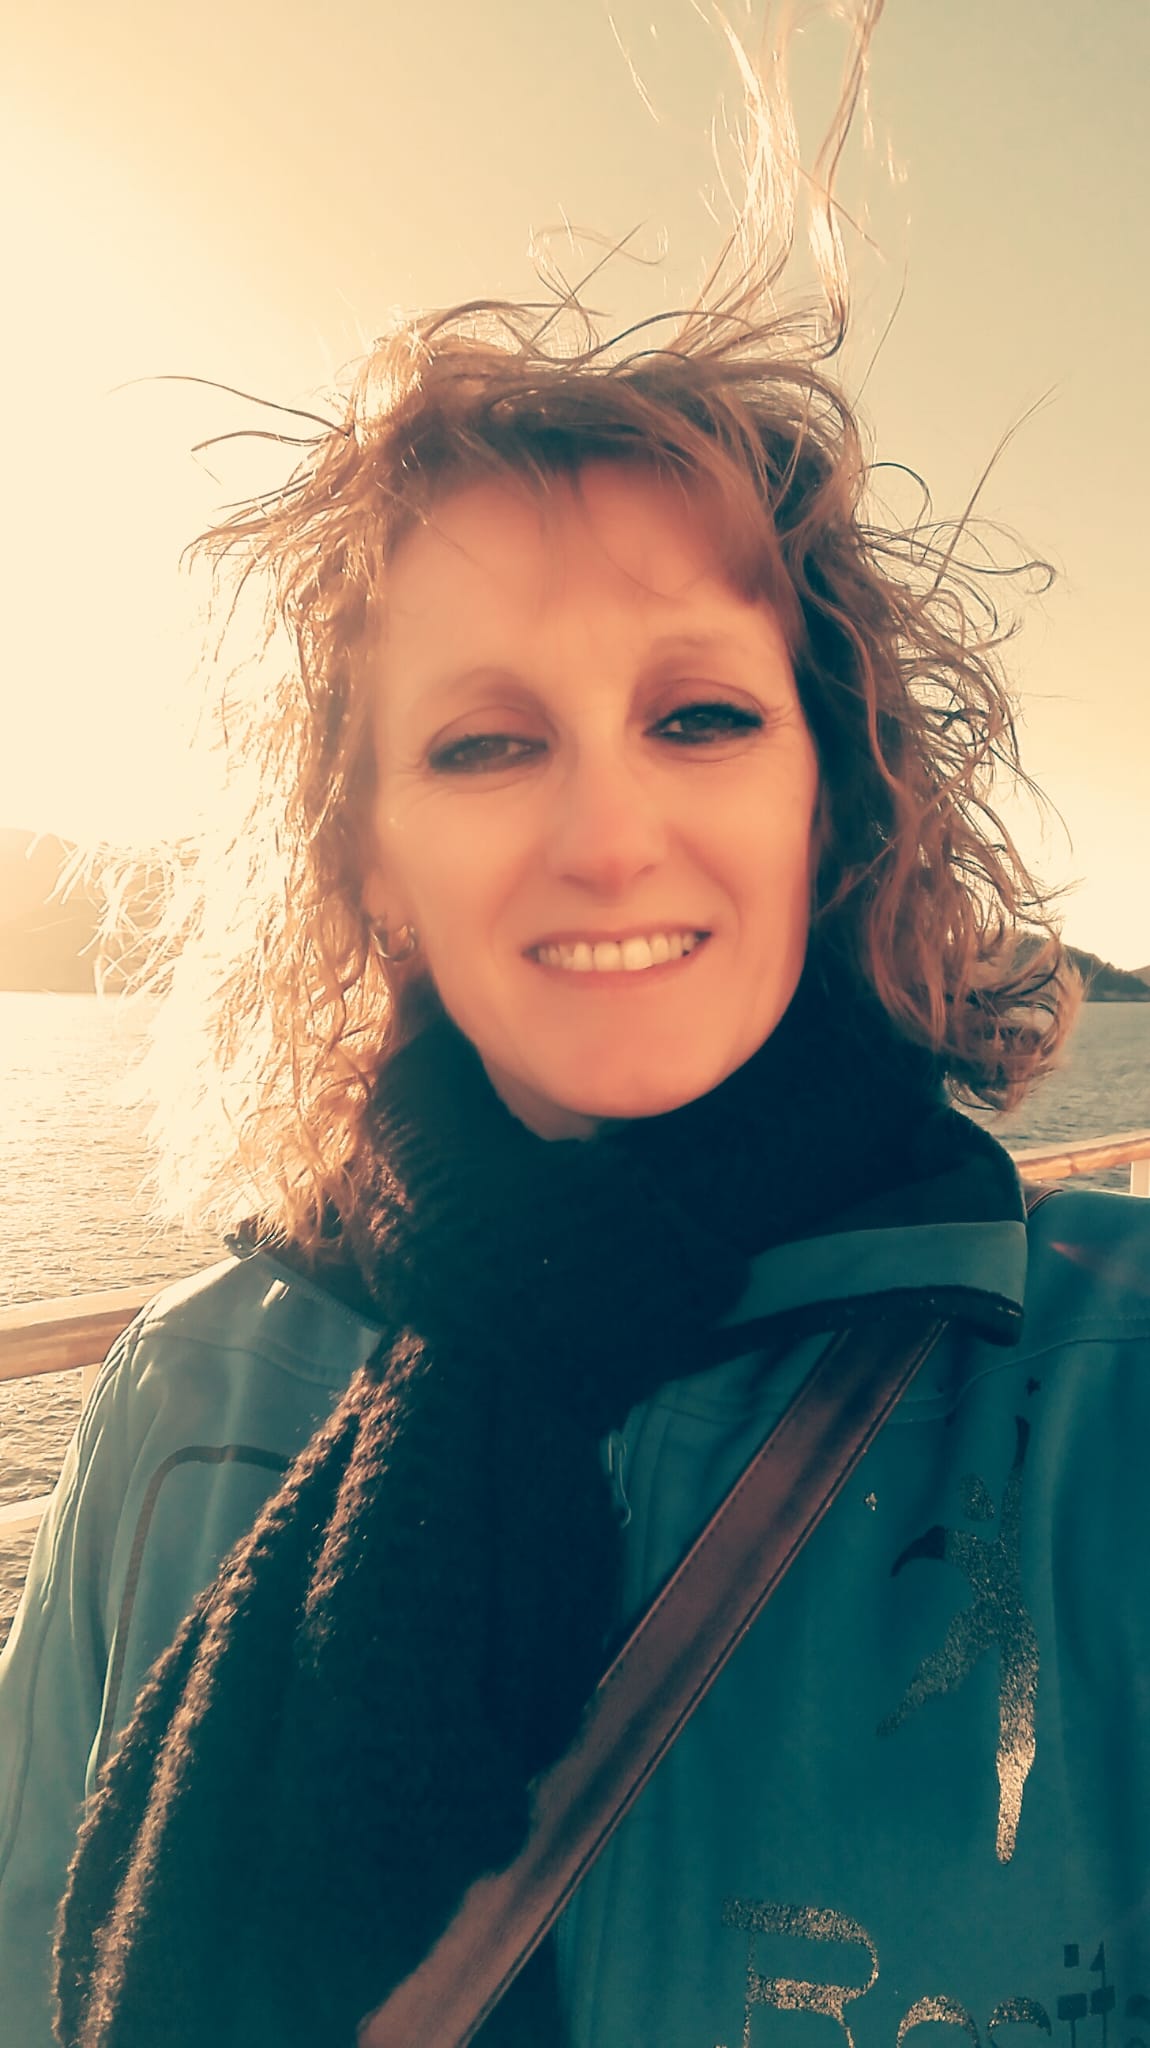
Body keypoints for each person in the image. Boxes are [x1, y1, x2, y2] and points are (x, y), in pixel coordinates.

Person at [2, 10, 1148, 2046]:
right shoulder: (189, 1401)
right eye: (482, 741)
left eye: (698, 714)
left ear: (834, 804)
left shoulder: (1099, 1404)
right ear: (370, 858)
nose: (606, 834)